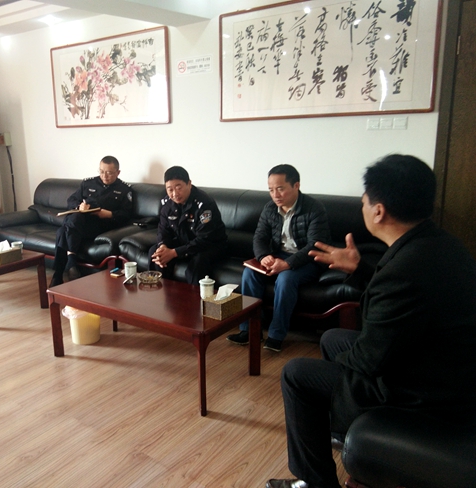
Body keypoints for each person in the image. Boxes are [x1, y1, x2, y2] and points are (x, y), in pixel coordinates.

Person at [266, 154, 476, 488]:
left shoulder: (405, 270)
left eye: (364, 201)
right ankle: (342, 425)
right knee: (333, 338)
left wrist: (340, 371)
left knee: (296, 373)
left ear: (378, 211)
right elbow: (398, 304)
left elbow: (369, 358)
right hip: (436, 363)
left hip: (422, 390)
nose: (362, 207)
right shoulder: (438, 244)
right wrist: (360, 269)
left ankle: (314, 482)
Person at [227, 165, 330, 352]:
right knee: (249, 273)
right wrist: (264, 256)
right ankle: (249, 331)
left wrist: (288, 263)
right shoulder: (270, 208)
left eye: (280, 188)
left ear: (296, 185)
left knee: (286, 278)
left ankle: (276, 335)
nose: (275, 195)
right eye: (271, 189)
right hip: (278, 255)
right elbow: (259, 237)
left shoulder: (314, 208)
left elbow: (315, 245)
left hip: (308, 259)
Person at [50, 155, 133, 286]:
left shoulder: (124, 189)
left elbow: (127, 214)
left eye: (109, 173)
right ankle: (65, 269)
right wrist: (79, 206)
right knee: (72, 221)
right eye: (101, 171)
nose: (104, 176)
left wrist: (109, 214)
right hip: (80, 223)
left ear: (118, 172)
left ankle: (61, 271)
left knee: (63, 230)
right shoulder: (88, 184)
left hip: (101, 226)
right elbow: (71, 200)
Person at [148, 166, 227, 286]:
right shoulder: (167, 204)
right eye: (170, 189)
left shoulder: (204, 204)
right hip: (184, 242)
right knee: (155, 253)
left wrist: (174, 252)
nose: (175, 194)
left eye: (178, 188)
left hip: (209, 245)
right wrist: (163, 246)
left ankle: (193, 297)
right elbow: (163, 230)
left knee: (197, 265)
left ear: (189, 184)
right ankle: (160, 291)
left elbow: (205, 239)